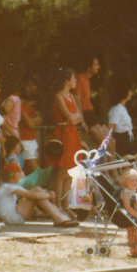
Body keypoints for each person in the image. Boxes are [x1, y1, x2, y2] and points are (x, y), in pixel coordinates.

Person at [0, 162, 75, 227]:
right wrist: (50, 195)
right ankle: (59, 217)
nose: (21, 175)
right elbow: (34, 196)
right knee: (36, 195)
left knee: (37, 189)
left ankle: (58, 216)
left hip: (11, 215)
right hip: (13, 218)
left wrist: (46, 193)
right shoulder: (10, 187)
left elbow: (35, 192)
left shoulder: (5, 186)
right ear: (13, 176)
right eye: (19, 173)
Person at [50, 67, 84, 207]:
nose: (75, 80)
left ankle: (65, 205)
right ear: (66, 80)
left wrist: (74, 118)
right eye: (73, 78)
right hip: (63, 133)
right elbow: (69, 116)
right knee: (61, 170)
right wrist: (73, 118)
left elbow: (78, 117)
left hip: (72, 133)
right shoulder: (59, 96)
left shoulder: (71, 96)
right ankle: (57, 205)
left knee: (71, 171)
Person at [76, 56, 109, 145]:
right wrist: (82, 120)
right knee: (103, 143)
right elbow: (77, 100)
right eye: (96, 64)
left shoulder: (87, 80)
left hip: (91, 112)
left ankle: (111, 159)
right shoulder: (80, 78)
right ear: (88, 67)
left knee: (111, 142)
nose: (98, 67)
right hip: (86, 113)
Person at [108, 84, 137, 157]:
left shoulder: (123, 108)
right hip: (122, 140)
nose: (131, 93)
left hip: (127, 138)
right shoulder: (117, 109)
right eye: (130, 91)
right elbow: (111, 127)